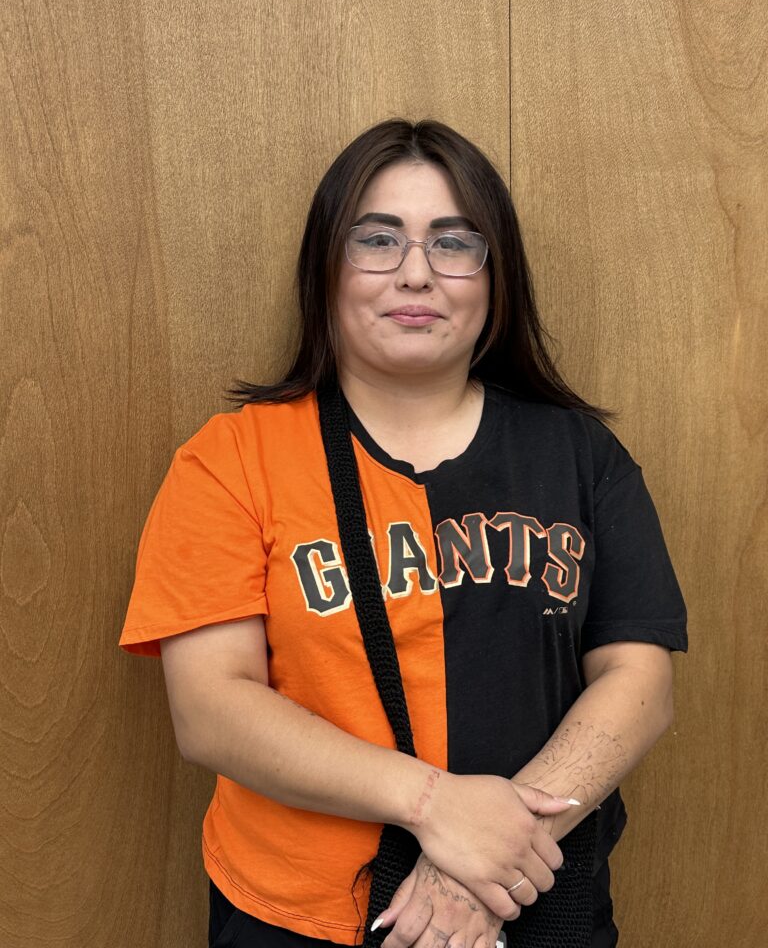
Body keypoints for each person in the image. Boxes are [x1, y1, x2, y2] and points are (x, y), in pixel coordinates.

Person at [118, 118, 688, 948]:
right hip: (297, 917)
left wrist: (489, 857)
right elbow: (209, 708)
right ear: (326, 268)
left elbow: (641, 678)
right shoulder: (232, 459)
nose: (416, 272)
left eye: (455, 243)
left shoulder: (579, 454)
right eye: (377, 240)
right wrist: (434, 805)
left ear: (496, 278)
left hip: (530, 901)